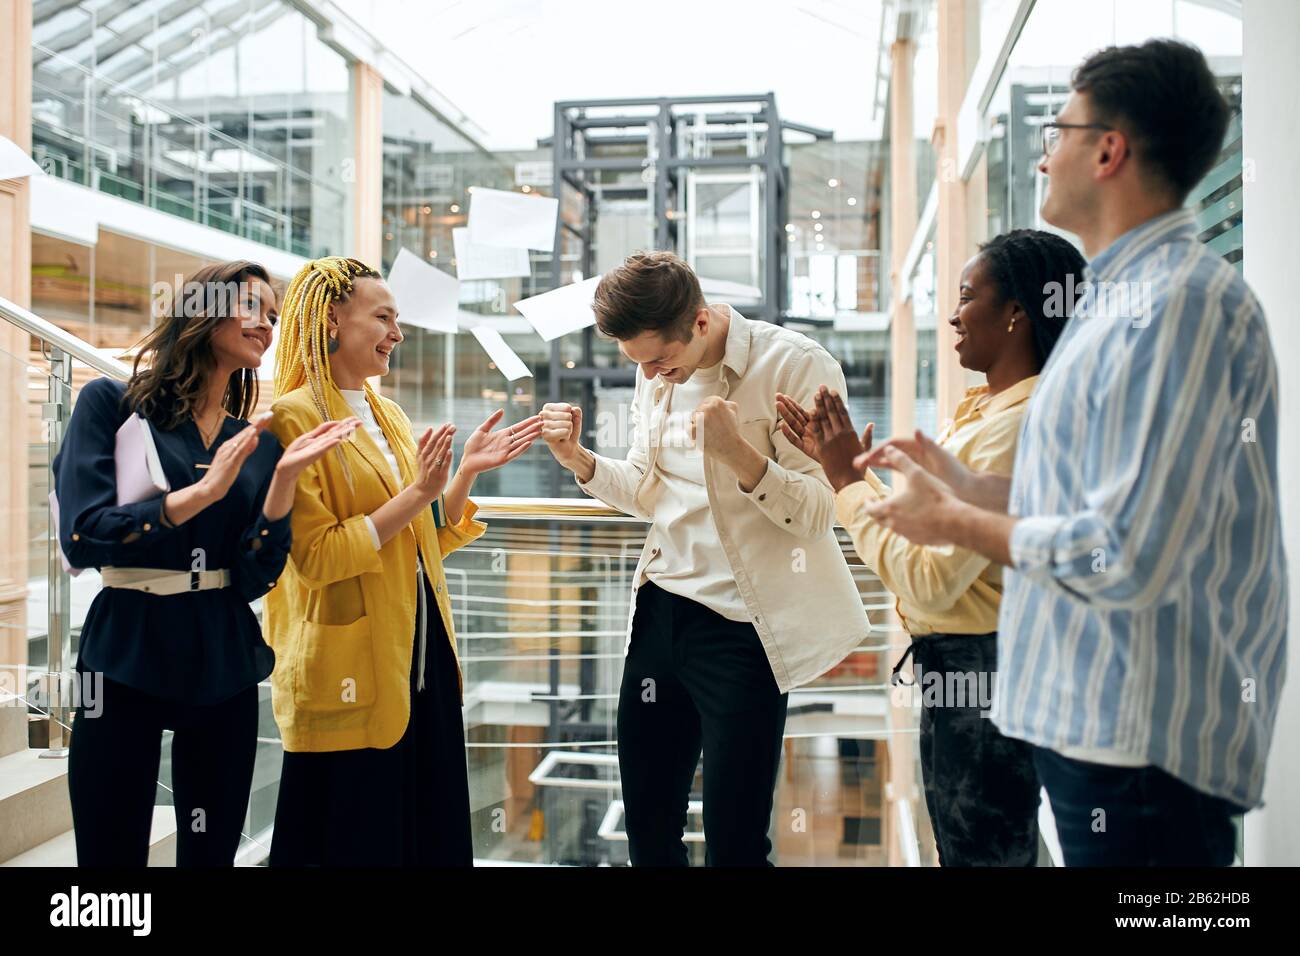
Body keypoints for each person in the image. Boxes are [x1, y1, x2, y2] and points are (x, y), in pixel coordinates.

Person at [858, 39, 1287, 866]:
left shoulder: (1177, 308)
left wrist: (950, 516)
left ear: (1108, 149)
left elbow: (1125, 551)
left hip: (1142, 750)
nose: (1046, 153)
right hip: (1093, 730)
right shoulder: (1116, 300)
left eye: (1058, 130)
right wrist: (968, 486)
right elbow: (1087, 506)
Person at [539, 251, 869, 866]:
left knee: (737, 843)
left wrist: (739, 454)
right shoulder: (654, 369)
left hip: (746, 632)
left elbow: (825, 511)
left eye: (660, 361)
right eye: (640, 364)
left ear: (697, 322)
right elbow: (644, 488)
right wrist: (579, 460)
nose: (654, 375)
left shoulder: (795, 365)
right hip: (661, 613)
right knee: (648, 829)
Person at [778, 230, 1087, 866]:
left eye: (968, 296)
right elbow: (930, 533)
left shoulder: (1016, 426)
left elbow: (927, 578)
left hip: (983, 674)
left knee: (981, 853)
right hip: (972, 667)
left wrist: (844, 480)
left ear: (1016, 312)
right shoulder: (987, 410)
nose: (952, 313)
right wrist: (852, 474)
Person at [54, 260, 353, 866]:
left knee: (211, 854)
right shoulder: (110, 403)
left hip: (222, 650)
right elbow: (83, 538)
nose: (266, 324)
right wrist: (200, 495)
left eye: (273, 315)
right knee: (109, 860)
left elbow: (253, 576)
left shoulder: (259, 441)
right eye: (252, 307)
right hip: (124, 648)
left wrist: (280, 490)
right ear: (202, 308)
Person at [264, 256, 541, 866]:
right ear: (331, 319)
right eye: (383, 317)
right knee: (354, 838)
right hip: (350, 669)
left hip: (421, 658)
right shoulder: (292, 419)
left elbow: (417, 541)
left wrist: (462, 474)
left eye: (399, 319)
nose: (398, 333)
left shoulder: (386, 414)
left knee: (424, 833)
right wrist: (417, 493)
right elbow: (319, 558)